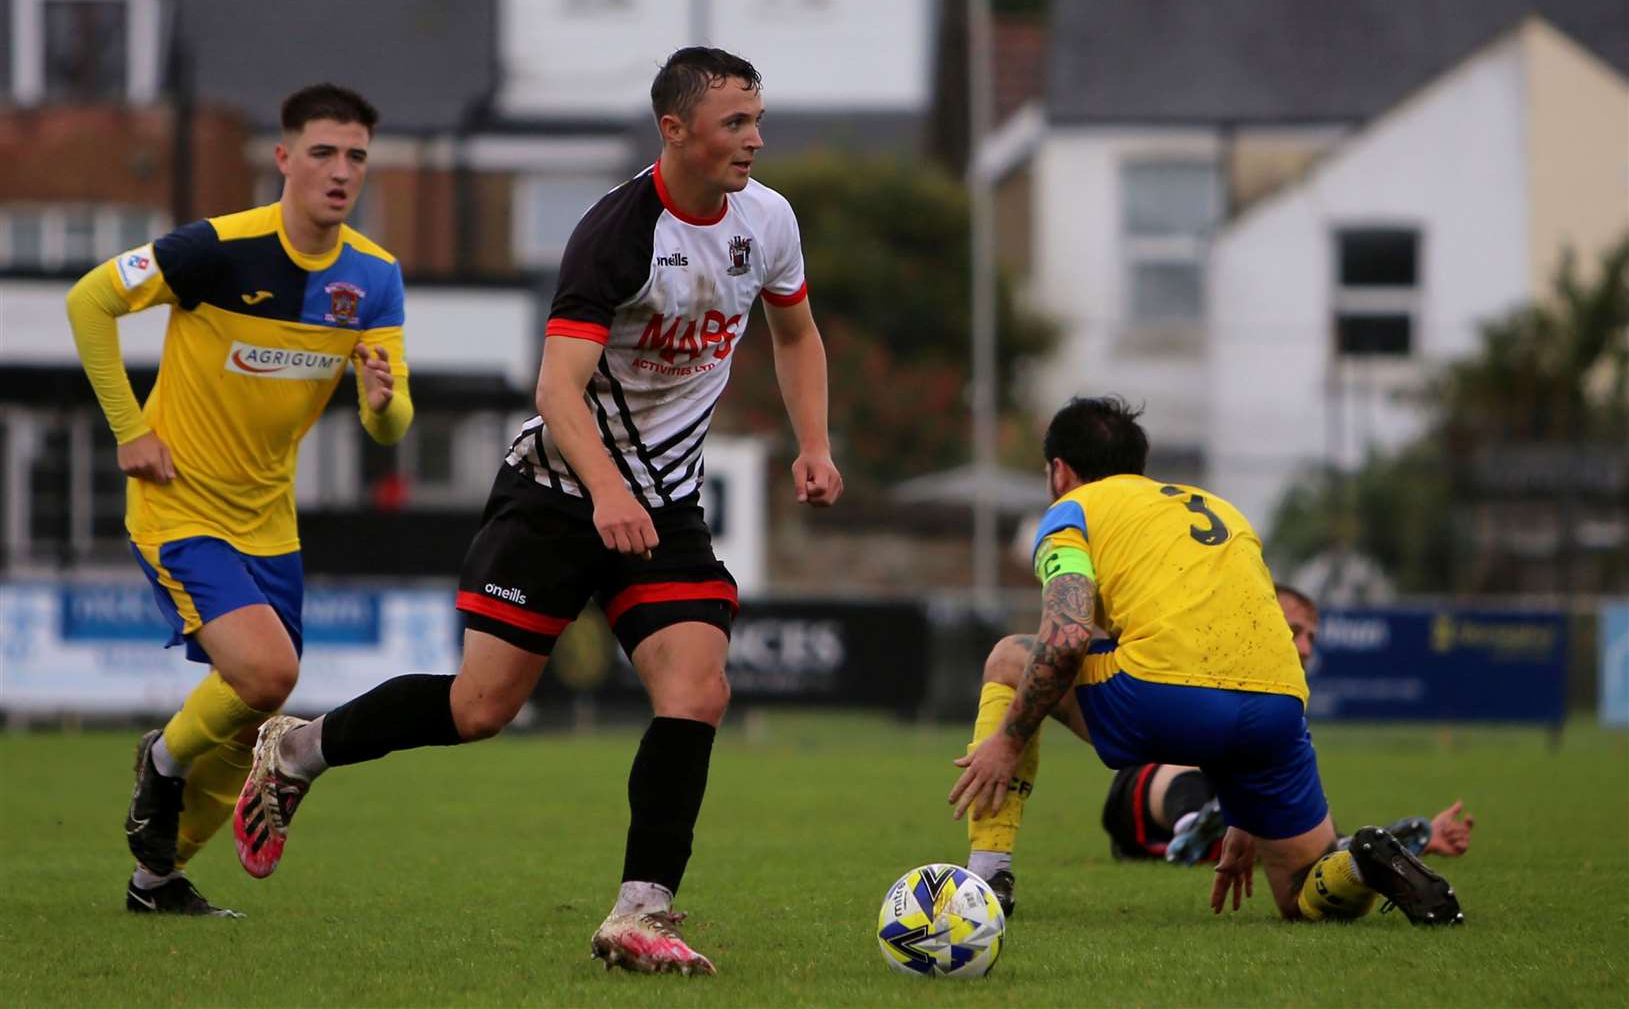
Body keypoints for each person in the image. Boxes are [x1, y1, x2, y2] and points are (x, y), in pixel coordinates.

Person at [229, 47, 842, 976]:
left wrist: (815, 445)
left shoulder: (769, 221)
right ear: (673, 130)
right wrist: (604, 492)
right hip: (557, 498)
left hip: (663, 508)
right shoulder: (615, 233)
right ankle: (298, 752)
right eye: (734, 124)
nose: (753, 141)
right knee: (480, 709)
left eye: (758, 120)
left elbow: (794, 333)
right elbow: (557, 389)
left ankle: (642, 911)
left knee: (697, 689)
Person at [65, 83, 411, 917]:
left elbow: (394, 427)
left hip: (270, 524)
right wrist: (128, 430)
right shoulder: (217, 248)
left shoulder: (373, 277)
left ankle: (155, 881)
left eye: (356, 156)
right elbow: (90, 300)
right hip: (178, 505)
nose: (340, 171)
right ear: (283, 158)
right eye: (322, 152)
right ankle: (162, 761)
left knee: (253, 719)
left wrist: (376, 397)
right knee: (267, 673)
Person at [949, 396, 1462, 925]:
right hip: (1278, 707)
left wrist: (1009, 740)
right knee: (1301, 896)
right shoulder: (1220, 508)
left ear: (1059, 471)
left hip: (1165, 697)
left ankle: (987, 876)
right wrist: (1246, 812)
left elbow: (1065, 636)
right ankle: (1360, 863)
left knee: (1011, 656)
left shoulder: (1071, 512)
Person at [1102, 585, 1476, 867]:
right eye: (1294, 631)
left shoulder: (1284, 711)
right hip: (1145, 795)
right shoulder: (1201, 663)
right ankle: (1193, 825)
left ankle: (1380, 844)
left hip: (1242, 817)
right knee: (1188, 761)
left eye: (1312, 637)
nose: (1306, 648)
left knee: (1298, 818)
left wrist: (1419, 840)